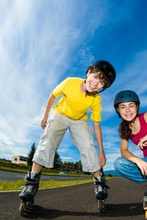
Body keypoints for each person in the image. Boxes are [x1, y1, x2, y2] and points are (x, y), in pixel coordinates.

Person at [19, 60, 116, 203]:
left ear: (103, 87)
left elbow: (96, 125)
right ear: (88, 73)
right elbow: (53, 95)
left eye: (101, 83)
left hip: (79, 120)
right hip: (60, 114)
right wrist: (46, 116)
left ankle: (99, 182)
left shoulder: (96, 99)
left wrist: (101, 152)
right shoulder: (70, 82)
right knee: (48, 138)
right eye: (95, 77)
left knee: (88, 146)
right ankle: (31, 182)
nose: (96, 83)